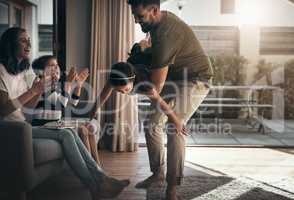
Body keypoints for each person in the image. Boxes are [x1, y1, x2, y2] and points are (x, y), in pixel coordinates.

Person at [0, 27, 129, 200]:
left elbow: (28, 107)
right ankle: (98, 184)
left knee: (69, 132)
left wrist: (39, 90)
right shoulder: (1, 71)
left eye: (29, 39)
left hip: (25, 124)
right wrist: (36, 91)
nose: (29, 43)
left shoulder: (25, 70)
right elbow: (3, 110)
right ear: (10, 44)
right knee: (67, 133)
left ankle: (100, 181)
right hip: (12, 130)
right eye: (23, 40)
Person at [127, 0, 214, 199]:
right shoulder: (158, 24)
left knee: (174, 128)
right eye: (134, 16)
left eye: (139, 16)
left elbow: (154, 89)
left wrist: (130, 88)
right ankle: (158, 173)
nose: (135, 21)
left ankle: (172, 188)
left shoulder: (166, 34)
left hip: (196, 78)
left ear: (154, 10)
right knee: (152, 124)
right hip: (176, 77)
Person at [31, 55, 101, 166]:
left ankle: (97, 167)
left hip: (54, 123)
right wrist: (68, 82)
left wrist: (79, 86)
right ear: (43, 69)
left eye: (56, 65)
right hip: (42, 125)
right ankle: (91, 167)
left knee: (88, 128)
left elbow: (73, 102)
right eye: (52, 65)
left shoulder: (55, 84)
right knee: (83, 130)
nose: (56, 68)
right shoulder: (41, 83)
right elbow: (61, 104)